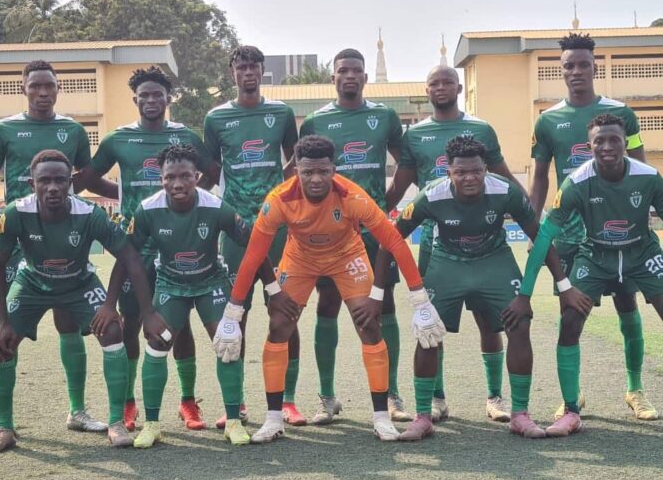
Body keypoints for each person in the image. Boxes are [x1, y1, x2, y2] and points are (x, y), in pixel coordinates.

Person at [215, 134, 445, 443]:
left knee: (369, 324)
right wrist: (236, 310)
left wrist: (419, 300)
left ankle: (381, 418)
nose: (316, 179)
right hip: (300, 258)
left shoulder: (352, 196)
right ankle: (273, 419)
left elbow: (392, 241)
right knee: (279, 324)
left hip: (346, 256)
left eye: (323, 171)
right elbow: (255, 254)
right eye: (308, 171)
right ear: (296, 170)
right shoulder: (279, 199)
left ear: (334, 169)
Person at [376, 135, 590, 440]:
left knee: (520, 323)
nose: (469, 177)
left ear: (486, 169)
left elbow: (540, 237)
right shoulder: (431, 195)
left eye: (476, 171)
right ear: (448, 171)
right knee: (427, 331)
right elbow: (391, 240)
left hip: (494, 260)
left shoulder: (505, 191)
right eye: (461, 172)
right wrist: (380, 292)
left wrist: (562, 286)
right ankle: (423, 417)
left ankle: (520, 414)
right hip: (448, 263)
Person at [101, 144, 299, 448]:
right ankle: (152, 424)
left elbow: (254, 245)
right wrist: (134, 309)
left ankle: (233, 420)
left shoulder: (216, 207)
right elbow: (128, 258)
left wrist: (273, 290)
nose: (177, 183)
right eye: (169, 177)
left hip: (210, 282)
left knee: (228, 341)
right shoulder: (147, 210)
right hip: (170, 284)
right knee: (157, 343)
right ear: (161, 178)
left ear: (197, 176)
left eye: (184, 176)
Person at [0, 150, 160, 454]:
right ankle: (3, 427)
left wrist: (112, 305)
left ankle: (116, 422)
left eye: (60, 180)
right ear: (32, 183)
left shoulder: (90, 214)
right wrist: (1, 320)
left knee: (113, 330)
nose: (53, 187)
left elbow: (130, 257)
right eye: (45, 181)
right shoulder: (15, 213)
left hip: (79, 282)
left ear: (70, 183)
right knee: (2, 341)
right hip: (32, 282)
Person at [0, 60, 112, 435]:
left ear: (57, 89)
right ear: (24, 88)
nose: (42, 92)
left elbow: (86, 181)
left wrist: (130, 192)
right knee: (6, 329)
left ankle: (77, 411)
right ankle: (3, 424)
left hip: (61, 235)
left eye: (48, 85)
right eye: (35, 85)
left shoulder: (73, 130)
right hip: (15, 238)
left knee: (69, 323)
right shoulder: (4, 129)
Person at [506, 113, 663, 436]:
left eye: (614, 140)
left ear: (625, 142)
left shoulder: (649, 177)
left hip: (641, 253)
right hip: (596, 255)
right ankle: (571, 409)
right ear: (589, 146)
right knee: (570, 319)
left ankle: (635, 390)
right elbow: (544, 236)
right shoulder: (576, 182)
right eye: (599, 141)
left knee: (636, 309)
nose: (607, 147)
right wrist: (525, 294)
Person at [77, 66, 215, 432]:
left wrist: (188, 202)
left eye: (158, 94)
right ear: (135, 99)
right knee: (132, 322)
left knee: (179, 324)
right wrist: (121, 194)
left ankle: (188, 402)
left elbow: (211, 173)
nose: (151, 100)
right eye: (145, 95)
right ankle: (128, 403)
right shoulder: (118, 139)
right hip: (133, 246)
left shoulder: (185, 136)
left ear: (169, 98)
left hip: (176, 244)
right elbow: (89, 178)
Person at [386, 64, 526, 423]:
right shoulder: (416, 135)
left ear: (459, 87)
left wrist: (529, 209)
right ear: (426, 90)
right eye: (434, 83)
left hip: (483, 239)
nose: (441, 87)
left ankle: (495, 397)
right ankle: (436, 399)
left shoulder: (481, 129)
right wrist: (374, 217)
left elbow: (503, 177)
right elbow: (400, 185)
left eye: (448, 81)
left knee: (490, 322)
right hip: (436, 241)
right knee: (432, 323)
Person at [530, 33, 654, 420]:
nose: (576, 71)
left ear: (594, 67)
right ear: (561, 70)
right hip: (570, 234)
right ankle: (573, 395)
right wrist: (533, 226)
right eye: (569, 65)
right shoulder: (548, 120)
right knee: (571, 313)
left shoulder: (622, 113)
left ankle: (635, 389)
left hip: (620, 233)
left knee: (627, 304)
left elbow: (640, 167)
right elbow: (539, 177)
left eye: (583, 64)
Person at [298, 48, 412, 423]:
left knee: (384, 303)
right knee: (327, 303)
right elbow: (303, 172)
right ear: (333, 78)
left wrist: (386, 203)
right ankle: (327, 397)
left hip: (372, 231)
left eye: (356, 71)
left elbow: (406, 162)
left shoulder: (385, 116)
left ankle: (391, 394)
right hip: (329, 231)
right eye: (343, 70)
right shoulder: (316, 120)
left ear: (365, 77)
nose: (350, 76)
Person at [203, 45, 303, 426]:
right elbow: (211, 170)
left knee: (285, 311)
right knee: (235, 314)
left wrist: (281, 188)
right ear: (232, 73)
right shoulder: (216, 118)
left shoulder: (281, 113)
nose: (248, 73)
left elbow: (296, 159)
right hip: (235, 229)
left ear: (262, 71)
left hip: (276, 226)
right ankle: (238, 401)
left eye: (253, 67)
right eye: (241, 67)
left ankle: (288, 400)